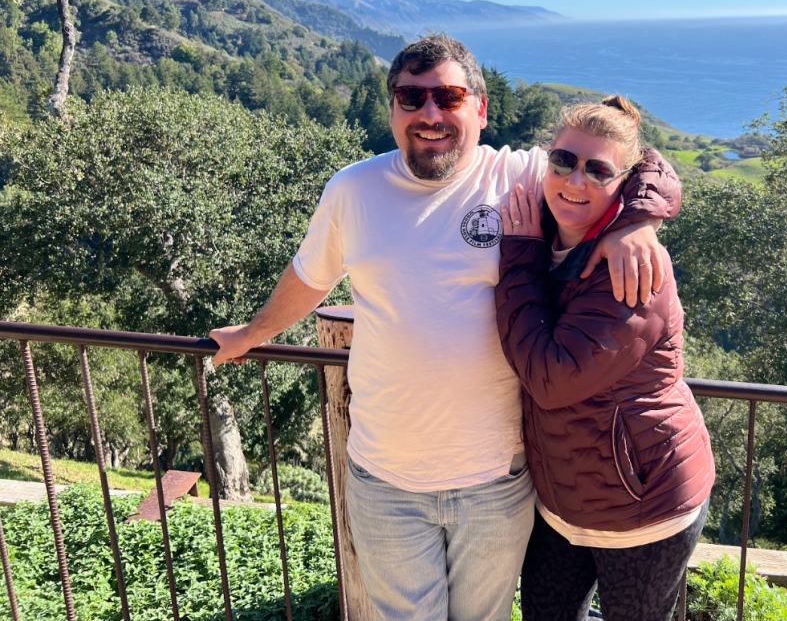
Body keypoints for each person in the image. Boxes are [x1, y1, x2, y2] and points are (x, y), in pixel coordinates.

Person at [209, 34, 682, 621]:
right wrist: (252, 334)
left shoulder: (521, 176)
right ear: (392, 109)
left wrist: (636, 221)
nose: (429, 113)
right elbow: (310, 277)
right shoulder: (352, 190)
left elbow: (628, 160)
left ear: (479, 109)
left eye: (448, 97)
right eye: (411, 97)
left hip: (496, 482)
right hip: (385, 481)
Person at [495, 96, 715, 621]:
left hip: (643, 501)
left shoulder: (635, 269)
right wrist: (636, 217)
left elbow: (551, 379)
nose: (576, 180)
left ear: (623, 181)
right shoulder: (547, 228)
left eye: (599, 170)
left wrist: (520, 254)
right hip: (563, 497)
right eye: (563, 161)